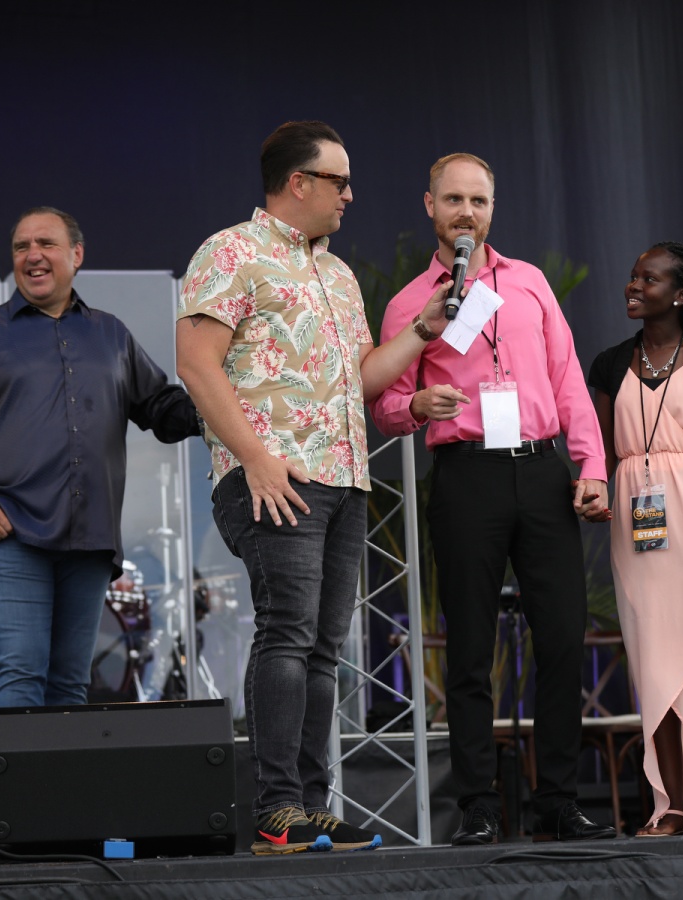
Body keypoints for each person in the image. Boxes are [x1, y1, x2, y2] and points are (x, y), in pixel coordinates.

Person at [176, 121, 453, 855]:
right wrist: (257, 458)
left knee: (324, 648)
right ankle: (276, 807)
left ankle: (309, 805)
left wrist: (422, 330)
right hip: (276, 477)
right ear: (298, 183)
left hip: (343, 477)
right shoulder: (231, 251)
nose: (350, 195)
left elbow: (362, 379)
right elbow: (196, 364)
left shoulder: (337, 275)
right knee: (288, 633)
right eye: (339, 181)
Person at [371, 153, 616, 845]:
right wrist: (417, 404)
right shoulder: (409, 303)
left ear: (491, 209)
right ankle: (478, 805)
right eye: (454, 199)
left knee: (562, 640)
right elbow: (385, 404)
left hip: (540, 471)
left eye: (478, 201)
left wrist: (592, 464)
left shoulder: (530, 283)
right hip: (465, 475)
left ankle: (558, 801)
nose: (466, 213)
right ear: (430, 206)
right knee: (471, 649)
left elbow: (567, 378)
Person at [0, 207, 201, 710]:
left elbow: (161, 409)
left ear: (77, 255)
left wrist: (219, 410)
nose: (32, 255)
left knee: (71, 685)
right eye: (21, 246)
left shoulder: (111, 335)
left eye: (46, 244)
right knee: (19, 670)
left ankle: (56, 769)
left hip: (89, 537)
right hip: (12, 533)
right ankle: (15, 769)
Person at [587, 241, 683, 836]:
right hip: (638, 520)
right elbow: (602, 449)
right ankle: (672, 804)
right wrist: (595, 489)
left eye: (648, 279)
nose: (633, 286)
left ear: (679, 295)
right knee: (653, 661)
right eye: (633, 276)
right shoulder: (609, 363)